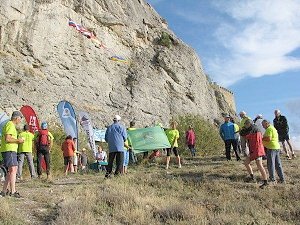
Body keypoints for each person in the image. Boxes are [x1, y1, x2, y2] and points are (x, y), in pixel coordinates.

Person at [0, 111, 24, 198]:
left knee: (11, 171)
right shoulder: (10, 125)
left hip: (9, 150)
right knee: (13, 169)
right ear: (17, 118)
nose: (20, 121)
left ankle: (3, 191)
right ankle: (13, 191)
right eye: (20, 118)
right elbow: (8, 138)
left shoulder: (9, 125)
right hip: (9, 150)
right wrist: (18, 140)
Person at [240, 120, 268, 188]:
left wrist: (243, 130)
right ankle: (252, 177)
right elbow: (245, 135)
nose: (246, 126)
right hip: (253, 150)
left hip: (257, 150)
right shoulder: (253, 129)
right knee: (246, 162)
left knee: (259, 165)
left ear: (249, 124)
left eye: (246, 124)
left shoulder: (254, 129)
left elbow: (244, 134)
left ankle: (265, 182)